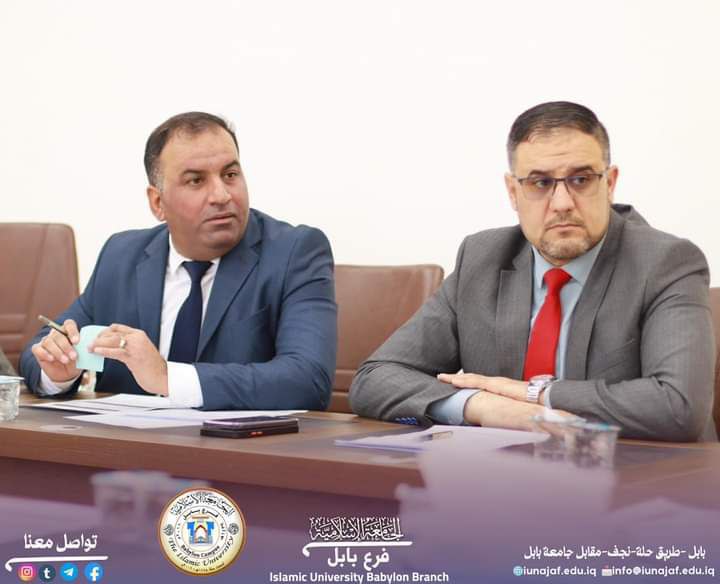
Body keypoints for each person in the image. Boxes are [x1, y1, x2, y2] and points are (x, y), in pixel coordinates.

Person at [350, 101, 716, 441]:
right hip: (505, 478)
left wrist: (538, 395)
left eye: (581, 179)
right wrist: (483, 406)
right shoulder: (483, 258)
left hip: (637, 479)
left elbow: (678, 407)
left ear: (610, 183)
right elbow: (375, 378)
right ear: (513, 191)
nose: (562, 203)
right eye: (540, 183)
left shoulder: (666, 262)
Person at [20, 112, 337, 410]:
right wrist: (58, 371)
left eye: (230, 175)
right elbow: (41, 349)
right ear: (158, 202)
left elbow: (307, 379)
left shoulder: (295, 252)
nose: (221, 195)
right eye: (196, 181)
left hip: (240, 448)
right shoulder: (122, 254)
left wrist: (167, 377)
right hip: (127, 446)